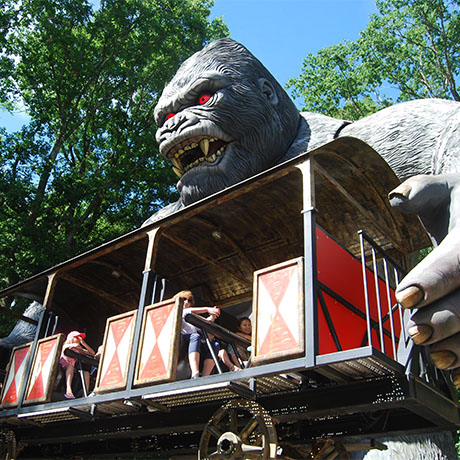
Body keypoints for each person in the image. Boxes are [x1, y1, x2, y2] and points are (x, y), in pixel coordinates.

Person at [174, 290, 238, 378]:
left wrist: (213, 315)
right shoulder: (178, 311)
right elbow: (188, 312)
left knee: (215, 345)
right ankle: (195, 373)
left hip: (194, 342)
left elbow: (204, 322)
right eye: (184, 299)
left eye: (189, 301)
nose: (186, 302)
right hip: (182, 339)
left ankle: (204, 376)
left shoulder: (191, 316)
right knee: (195, 336)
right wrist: (208, 309)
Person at [59, 330, 95, 399]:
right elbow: (77, 348)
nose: (79, 339)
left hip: (73, 366)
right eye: (77, 337)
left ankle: (85, 393)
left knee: (85, 371)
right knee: (70, 367)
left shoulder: (78, 348)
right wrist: (81, 349)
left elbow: (92, 353)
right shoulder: (67, 345)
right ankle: (68, 390)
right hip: (63, 364)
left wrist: (84, 344)